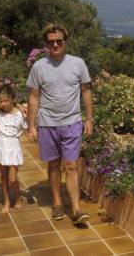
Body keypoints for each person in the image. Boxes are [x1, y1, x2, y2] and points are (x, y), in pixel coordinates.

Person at [26, 23, 94, 225]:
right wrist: (31, 125)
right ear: (46, 44)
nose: (55, 45)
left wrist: (89, 118)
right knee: (54, 164)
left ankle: (75, 208)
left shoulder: (78, 64)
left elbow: (86, 91)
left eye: (59, 41)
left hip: (72, 122)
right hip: (47, 124)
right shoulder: (39, 66)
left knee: (71, 166)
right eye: (51, 42)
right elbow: (34, 97)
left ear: (66, 41)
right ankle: (57, 203)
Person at [0, 83, 27, 213]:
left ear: (12, 99)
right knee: (3, 176)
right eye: (0, 102)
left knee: (12, 178)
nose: (3, 104)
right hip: (1, 146)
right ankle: (6, 201)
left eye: (6, 100)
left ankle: (18, 197)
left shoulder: (20, 114)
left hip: (13, 147)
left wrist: (20, 106)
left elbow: (27, 128)